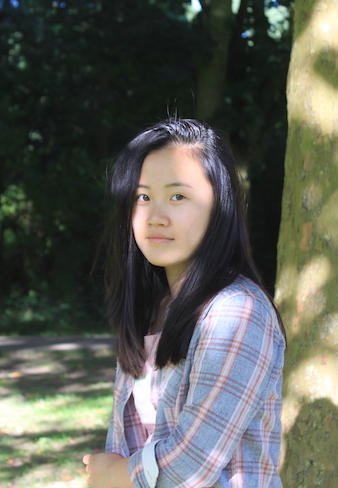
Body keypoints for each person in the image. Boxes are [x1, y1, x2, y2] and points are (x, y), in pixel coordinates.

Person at [83, 118, 286, 488]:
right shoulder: (151, 309)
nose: (156, 217)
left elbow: (194, 463)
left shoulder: (237, 311)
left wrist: (113, 475)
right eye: (143, 197)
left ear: (219, 206)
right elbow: (124, 440)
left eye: (178, 196)